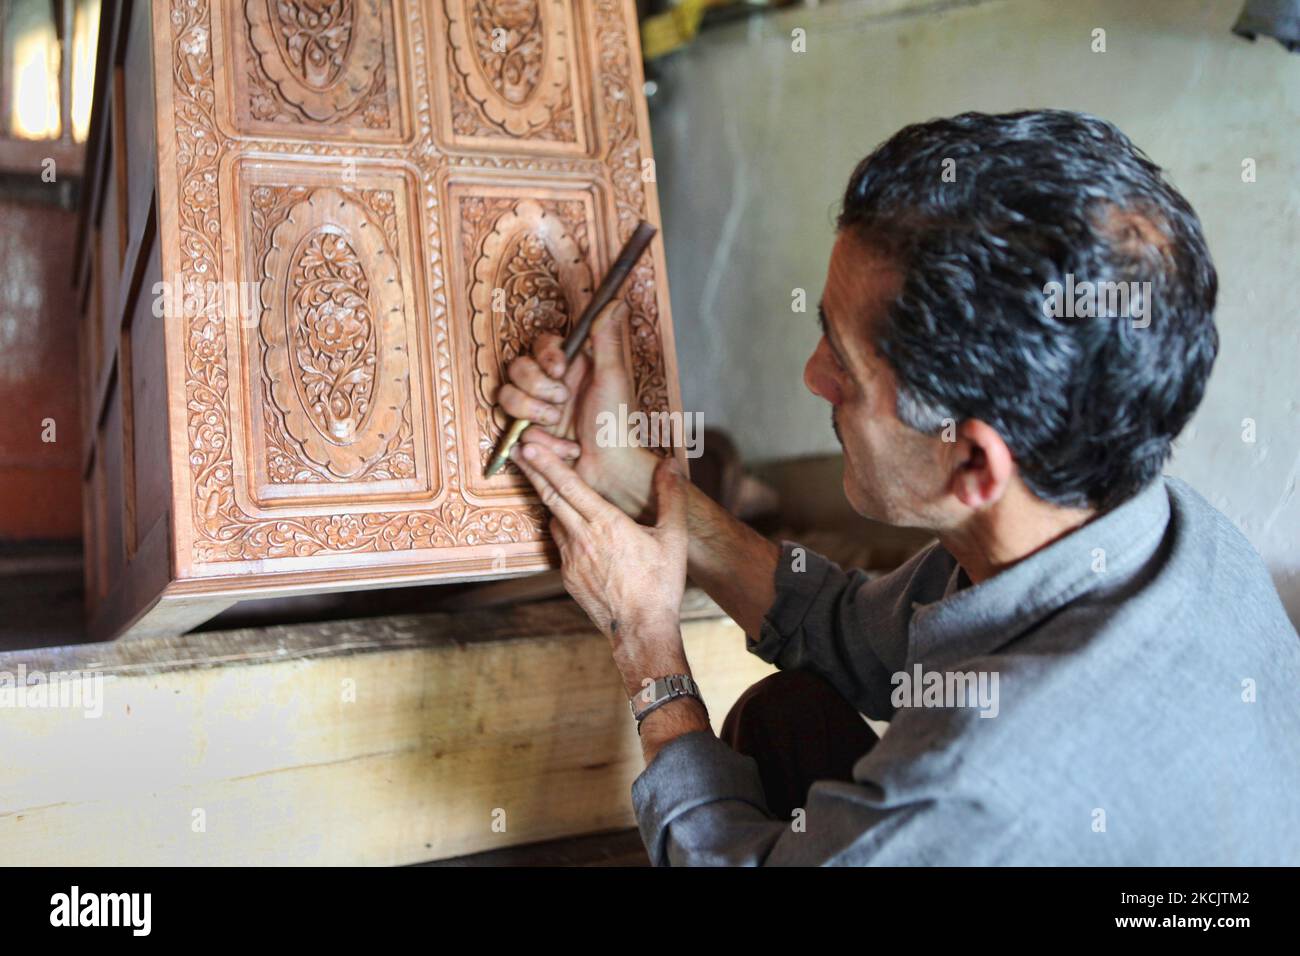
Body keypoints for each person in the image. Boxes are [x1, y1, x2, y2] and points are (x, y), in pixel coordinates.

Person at [498, 109, 1300, 866]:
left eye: (843, 364)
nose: (814, 378)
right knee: (783, 721)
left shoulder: (975, 787)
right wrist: (631, 471)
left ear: (975, 465)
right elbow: (850, 629)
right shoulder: (1158, 526)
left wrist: (648, 646)